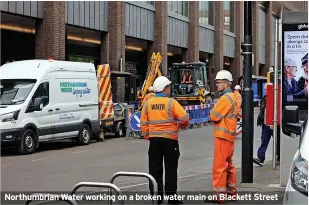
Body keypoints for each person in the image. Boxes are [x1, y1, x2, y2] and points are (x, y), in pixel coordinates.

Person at [140, 76, 189, 205]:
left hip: (154, 141)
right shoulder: (171, 102)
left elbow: (143, 123)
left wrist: (147, 135)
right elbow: (184, 118)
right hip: (170, 141)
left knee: (155, 169)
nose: (170, 89)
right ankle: (171, 198)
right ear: (165, 89)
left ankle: (157, 196)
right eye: (169, 87)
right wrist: (180, 126)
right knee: (171, 169)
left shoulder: (147, 103)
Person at [204, 70, 238, 204]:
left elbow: (213, 116)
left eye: (219, 83)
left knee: (219, 166)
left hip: (222, 136)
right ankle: (231, 192)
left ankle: (219, 195)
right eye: (217, 82)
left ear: (227, 84)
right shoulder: (234, 97)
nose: (217, 85)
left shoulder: (225, 99)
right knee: (229, 165)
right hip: (229, 136)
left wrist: (212, 111)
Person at [254, 83, 280, 166]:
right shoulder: (265, 98)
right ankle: (260, 158)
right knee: (264, 140)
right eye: (265, 90)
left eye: (267, 89)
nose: (265, 91)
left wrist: (274, 122)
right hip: (266, 123)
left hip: (274, 123)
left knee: (278, 141)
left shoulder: (276, 98)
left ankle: (279, 157)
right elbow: (263, 110)